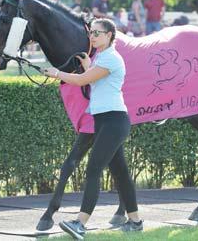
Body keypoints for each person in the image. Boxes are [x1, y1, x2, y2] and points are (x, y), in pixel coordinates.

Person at [42, 18, 143, 239]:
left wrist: (57, 73)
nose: (93, 37)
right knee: (121, 173)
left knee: (93, 169)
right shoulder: (102, 57)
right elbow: (94, 79)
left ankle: (80, 223)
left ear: (109, 35)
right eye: (91, 33)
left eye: (98, 33)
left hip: (114, 121)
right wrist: (89, 65)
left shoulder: (112, 58)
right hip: (104, 121)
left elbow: (81, 81)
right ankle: (135, 222)